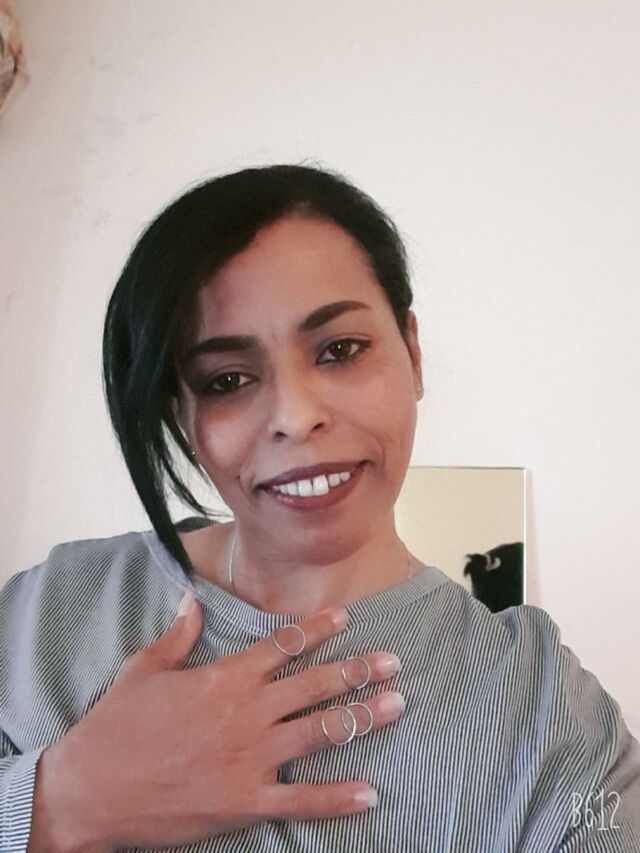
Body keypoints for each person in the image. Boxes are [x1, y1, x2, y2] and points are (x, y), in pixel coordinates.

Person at [1, 164, 638, 852]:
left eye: (340, 349)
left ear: (412, 352)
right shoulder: (49, 615)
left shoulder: (547, 714)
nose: (296, 415)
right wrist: (63, 800)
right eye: (227, 379)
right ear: (179, 413)